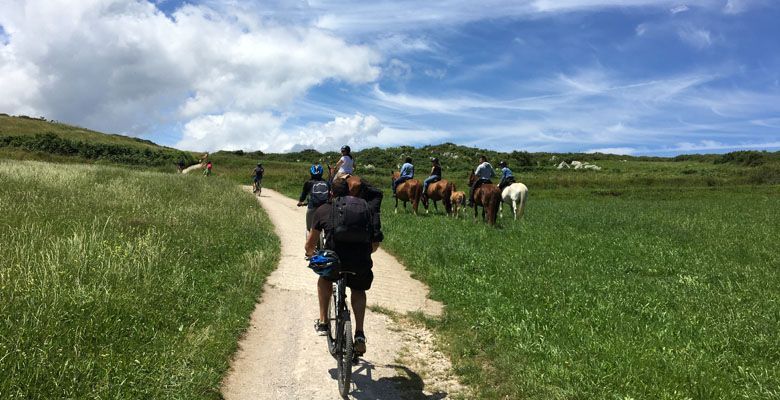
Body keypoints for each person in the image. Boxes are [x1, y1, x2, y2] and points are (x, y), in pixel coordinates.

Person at [305, 178, 383, 355]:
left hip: (334, 262)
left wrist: (311, 254)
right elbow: (375, 243)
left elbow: (311, 243)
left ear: (330, 193)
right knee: (358, 290)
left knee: (324, 279)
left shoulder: (323, 209)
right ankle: (360, 334)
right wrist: (363, 255)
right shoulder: (366, 209)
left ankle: (324, 322)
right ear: (349, 193)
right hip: (360, 261)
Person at [297, 164, 329, 231]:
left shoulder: (308, 183)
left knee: (309, 227)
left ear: (311, 173)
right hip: (326, 206)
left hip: (312, 206)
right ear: (322, 173)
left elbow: (304, 194)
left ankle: (309, 235)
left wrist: (300, 202)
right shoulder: (326, 182)